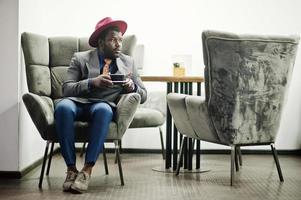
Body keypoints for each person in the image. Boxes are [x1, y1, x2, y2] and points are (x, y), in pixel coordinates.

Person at [54, 17, 147, 193]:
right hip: (77, 102)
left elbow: (143, 95)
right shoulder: (80, 58)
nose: (118, 44)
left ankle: (87, 171)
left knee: (104, 110)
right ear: (101, 42)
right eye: (113, 39)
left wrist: (132, 87)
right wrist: (91, 82)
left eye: (120, 40)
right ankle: (71, 170)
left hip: (103, 105)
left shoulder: (129, 62)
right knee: (63, 107)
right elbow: (66, 89)